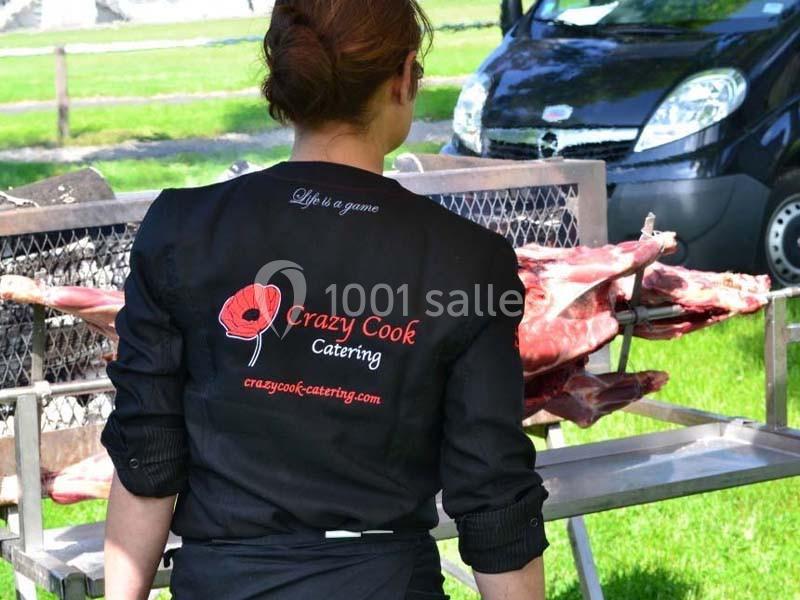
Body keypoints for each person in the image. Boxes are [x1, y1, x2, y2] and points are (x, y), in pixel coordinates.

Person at [100, 1, 549, 599]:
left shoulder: (181, 229)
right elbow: (494, 494)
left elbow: (147, 455)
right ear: (404, 76)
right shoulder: (468, 261)